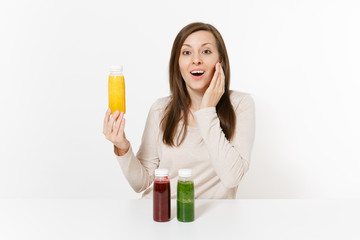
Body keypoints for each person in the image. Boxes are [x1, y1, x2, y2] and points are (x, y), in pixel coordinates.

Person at [103, 22, 255, 199]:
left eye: (206, 51)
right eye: (186, 52)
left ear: (220, 60)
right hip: (161, 215)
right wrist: (122, 146)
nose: (196, 59)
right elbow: (141, 183)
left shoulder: (240, 105)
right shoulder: (161, 110)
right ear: (178, 63)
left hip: (213, 221)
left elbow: (231, 178)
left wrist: (207, 110)